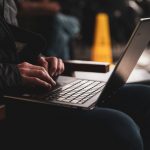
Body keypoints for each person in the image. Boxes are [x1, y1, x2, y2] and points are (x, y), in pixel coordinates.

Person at [0, 0, 149, 150]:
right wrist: (11, 74)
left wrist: (38, 59)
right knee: (121, 128)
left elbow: (11, 46)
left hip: (30, 89)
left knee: (144, 97)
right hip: (8, 104)